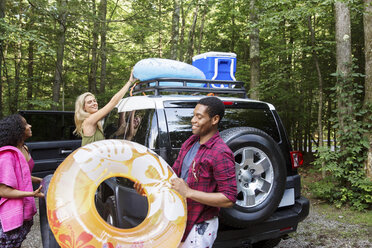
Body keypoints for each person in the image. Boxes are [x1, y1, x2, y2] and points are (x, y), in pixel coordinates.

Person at [135, 96, 237, 248]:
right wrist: (149, 188)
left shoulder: (220, 152)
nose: (193, 120)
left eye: (199, 117)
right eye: (194, 115)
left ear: (215, 119)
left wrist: (189, 192)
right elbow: (173, 178)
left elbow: (229, 199)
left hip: (200, 225)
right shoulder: (190, 143)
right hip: (180, 217)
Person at [0, 114, 44, 248]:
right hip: (9, 211)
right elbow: (3, 190)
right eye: (25, 124)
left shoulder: (24, 148)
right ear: (17, 129)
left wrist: (41, 180)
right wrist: (31, 194)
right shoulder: (7, 156)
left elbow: (21, 175)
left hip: (24, 206)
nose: (29, 126)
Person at [74, 71, 137, 146]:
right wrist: (130, 81)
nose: (94, 103)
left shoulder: (95, 122)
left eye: (94, 101)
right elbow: (113, 102)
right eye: (89, 102)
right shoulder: (89, 121)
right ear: (84, 108)